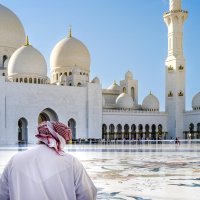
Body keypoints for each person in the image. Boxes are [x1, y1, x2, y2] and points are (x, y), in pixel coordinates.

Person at [0, 121, 97, 200]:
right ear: (61, 139)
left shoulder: (15, 160)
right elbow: (88, 195)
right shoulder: (71, 162)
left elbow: (2, 194)